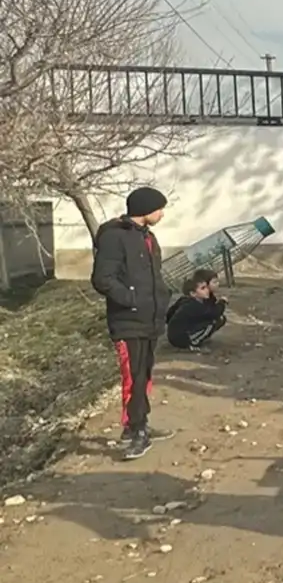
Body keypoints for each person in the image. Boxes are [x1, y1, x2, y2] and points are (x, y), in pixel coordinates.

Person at [90, 185, 173, 458]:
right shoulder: (115, 237)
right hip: (128, 320)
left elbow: (154, 276)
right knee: (133, 378)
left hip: (150, 319)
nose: (162, 213)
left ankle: (141, 424)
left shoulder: (147, 237)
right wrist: (131, 298)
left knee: (144, 376)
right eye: (159, 208)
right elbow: (103, 279)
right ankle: (135, 431)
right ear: (145, 209)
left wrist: (161, 298)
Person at [166, 270, 228, 351]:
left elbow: (169, 314)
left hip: (174, 336)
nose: (207, 290)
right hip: (180, 338)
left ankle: (195, 337)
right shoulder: (196, 305)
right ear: (193, 293)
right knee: (216, 320)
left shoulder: (188, 300)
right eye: (203, 288)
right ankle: (193, 342)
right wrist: (222, 302)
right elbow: (214, 313)